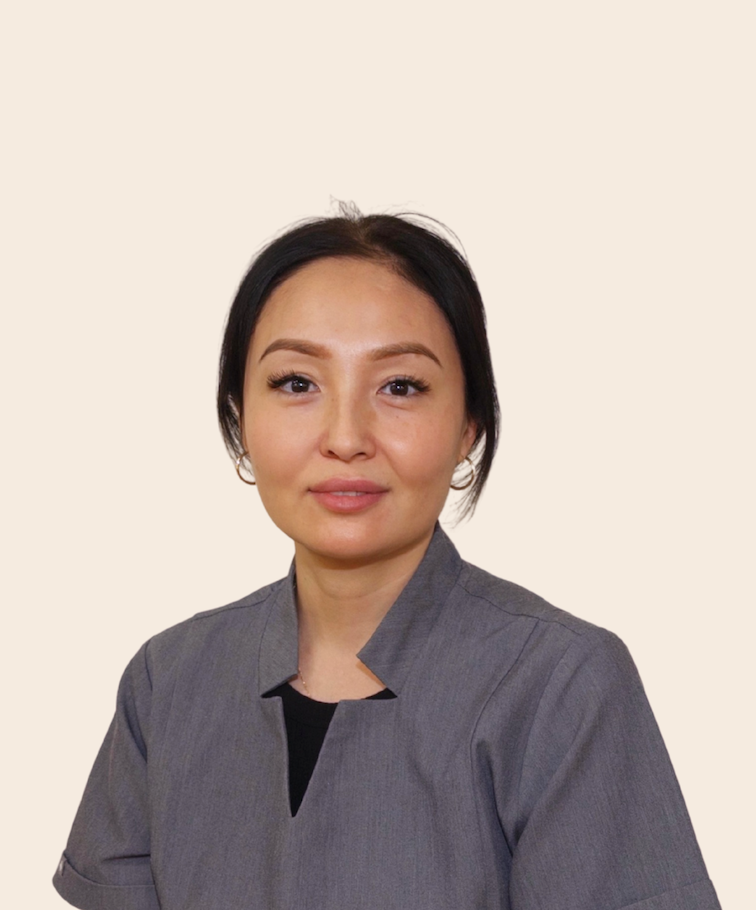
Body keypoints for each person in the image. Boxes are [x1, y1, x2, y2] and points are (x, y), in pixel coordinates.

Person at [53, 206, 722, 910]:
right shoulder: (169, 683)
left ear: (469, 426)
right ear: (238, 420)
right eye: (296, 383)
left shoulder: (561, 686)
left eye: (400, 386)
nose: (346, 437)